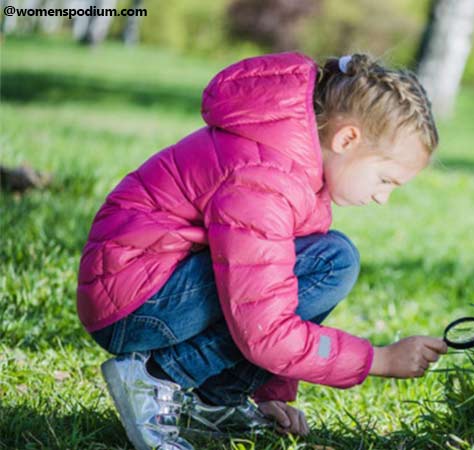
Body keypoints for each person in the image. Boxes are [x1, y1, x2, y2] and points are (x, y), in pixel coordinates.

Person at [76, 52, 448, 450]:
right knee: (331, 262)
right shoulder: (267, 178)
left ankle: (213, 399)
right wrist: (379, 360)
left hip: (154, 291)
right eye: (385, 179)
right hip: (134, 303)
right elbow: (263, 327)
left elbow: (270, 289)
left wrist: (269, 390)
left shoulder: (295, 170)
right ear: (347, 139)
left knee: (328, 257)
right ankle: (154, 376)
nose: (383, 198)